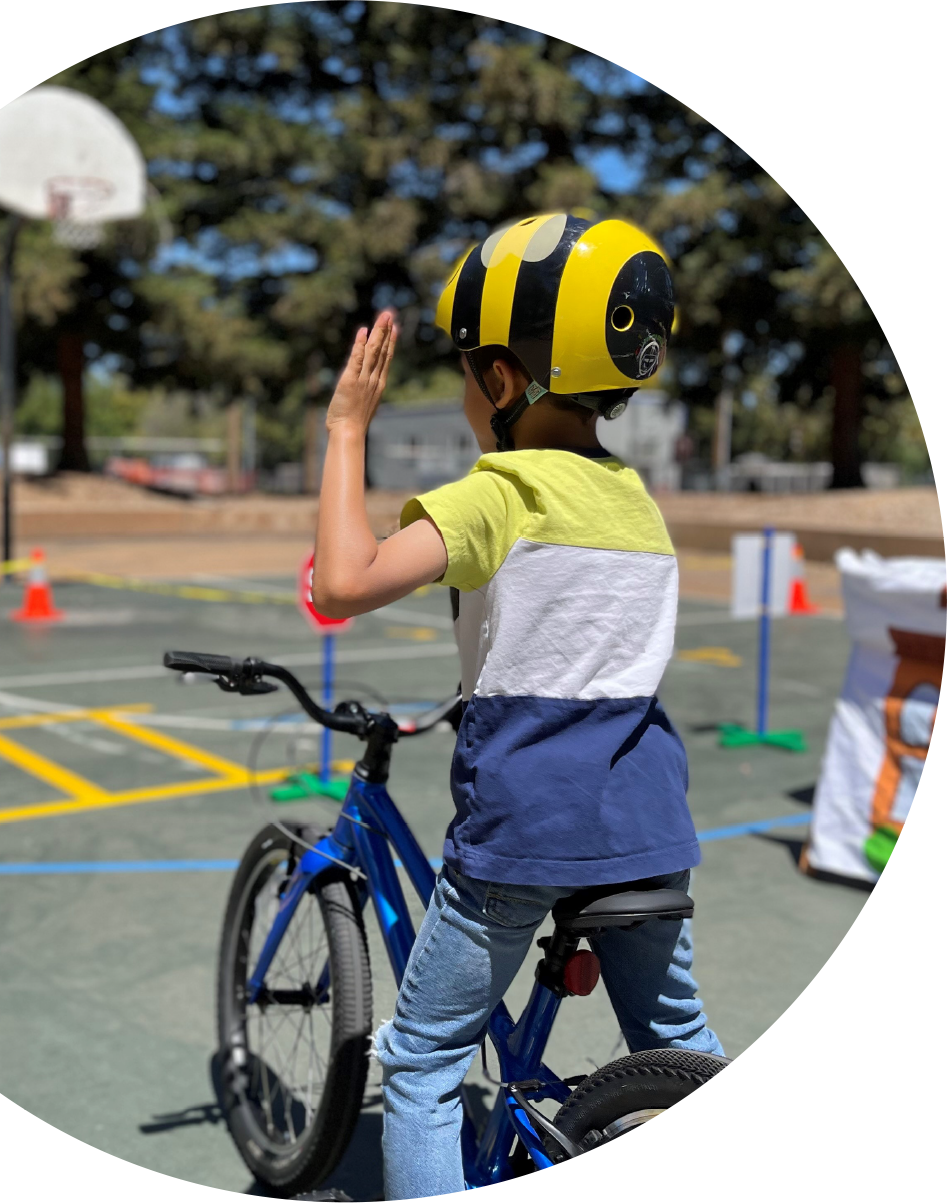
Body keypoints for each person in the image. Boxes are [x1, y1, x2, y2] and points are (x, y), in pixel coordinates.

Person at [311, 212, 723, 1199]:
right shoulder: (636, 500)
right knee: (680, 1047)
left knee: (419, 1067)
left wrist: (345, 430)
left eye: (465, 374)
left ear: (499, 381)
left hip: (527, 828)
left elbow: (340, 581)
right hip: (649, 823)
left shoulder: (498, 493)